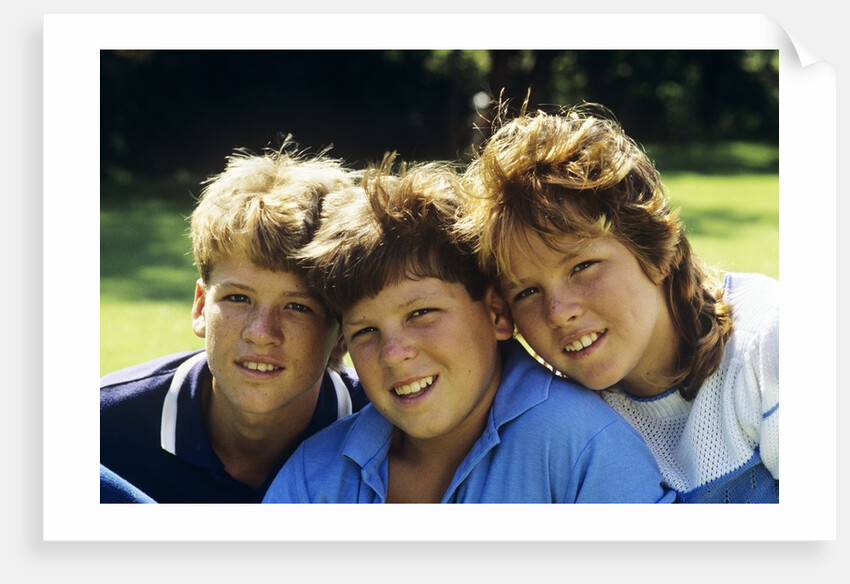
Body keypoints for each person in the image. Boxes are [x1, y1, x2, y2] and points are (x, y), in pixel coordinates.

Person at [262, 155, 675, 504]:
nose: (393, 353)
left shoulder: (582, 446)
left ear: (497, 313)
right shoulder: (316, 475)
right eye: (366, 332)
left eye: (421, 313)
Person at [457, 101, 779, 503]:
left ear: (657, 252)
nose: (559, 312)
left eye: (583, 266)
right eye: (526, 292)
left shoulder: (767, 342)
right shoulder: (564, 420)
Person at [100, 142, 369, 503]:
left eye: (297, 307)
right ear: (200, 308)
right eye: (238, 298)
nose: (261, 332)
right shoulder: (98, 429)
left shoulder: (390, 433)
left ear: (341, 334)